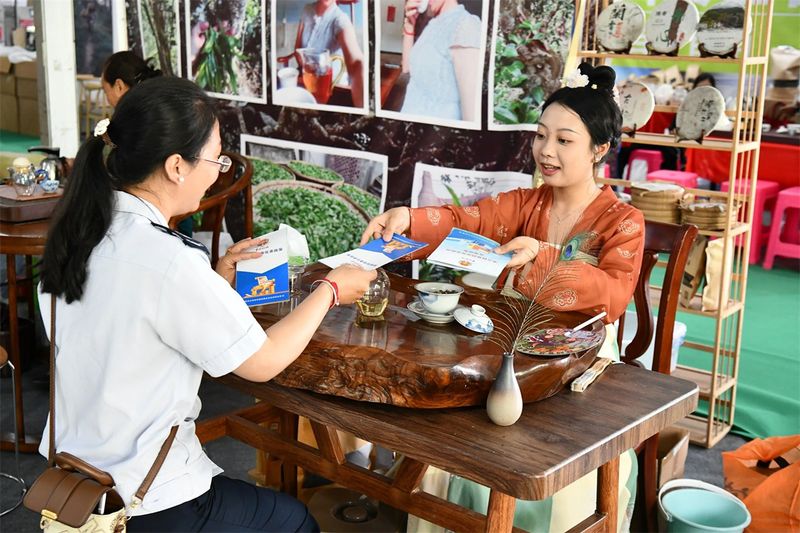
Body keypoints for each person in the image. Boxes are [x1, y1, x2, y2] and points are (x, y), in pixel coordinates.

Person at [39, 76, 376, 532]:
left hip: (76, 481)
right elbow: (262, 362)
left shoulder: (77, 235)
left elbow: (128, 326)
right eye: (216, 158)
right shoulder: (168, 260)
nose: (218, 171)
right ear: (176, 166)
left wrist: (213, 281)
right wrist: (330, 290)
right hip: (146, 500)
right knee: (294, 522)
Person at [364, 62, 645, 325]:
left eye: (563, 140)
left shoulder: (623, 221)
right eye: (541, 135)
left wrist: (541, 255)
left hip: (578, 348)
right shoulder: (524, 203)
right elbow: (467, 221)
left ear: (599, 149)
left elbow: (614, 295)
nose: (546, 150)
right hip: (508, 333)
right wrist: (409, 219)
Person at [399, 0, 482, 121]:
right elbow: (407, 68)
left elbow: (472, 117)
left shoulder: (466, 25)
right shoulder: (433, 23)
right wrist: (410, 24)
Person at [292, 0, 365, 106]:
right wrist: (307, 70)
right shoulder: (307, 10)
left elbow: (357, 63)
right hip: (305, 81)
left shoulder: (340, 19)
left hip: (331, 88)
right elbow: (297, 48)